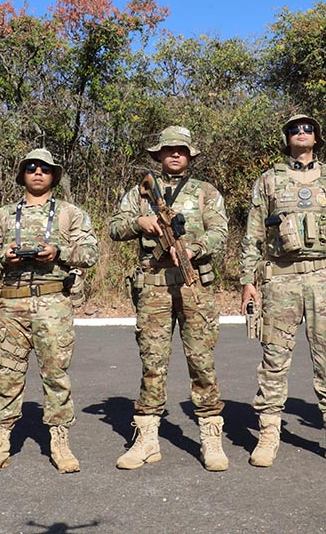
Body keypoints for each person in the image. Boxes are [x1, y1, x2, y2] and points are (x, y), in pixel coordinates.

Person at [239, 114, 326, 468]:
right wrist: (249, 281)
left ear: (317, 137)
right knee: (274, 358)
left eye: (308, 128)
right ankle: (268, 433)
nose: (301, 133)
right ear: (286, 138)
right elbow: (253, 236)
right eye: (295, 129)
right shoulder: (268, 181)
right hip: (280, 278)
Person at [108, 126, 230, 471]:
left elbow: (220, 233)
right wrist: (139, 222)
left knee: (202, 362)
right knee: (153, 363)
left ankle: (210, 437)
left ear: (190, 155)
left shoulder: (206, 192)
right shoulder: (139, 193)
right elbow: (115, 228)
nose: (175, 154)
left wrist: (193, 248)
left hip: (194, 286)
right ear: (158, 154)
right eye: (169, 149)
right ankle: (147, 439)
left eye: (181, 150)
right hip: (153, 286)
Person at [0, 148, 98, 474]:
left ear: (54, 175)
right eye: (31, 168)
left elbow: (90, 252)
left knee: (56, 375)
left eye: (45, 168)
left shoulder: (71, 214)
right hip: (12, 305)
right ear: (22, 174)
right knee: (7, 376)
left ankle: (59, 440)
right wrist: (4, 256)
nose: (38, 172)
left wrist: (59, 252)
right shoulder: (3, 215)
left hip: (53, 303)